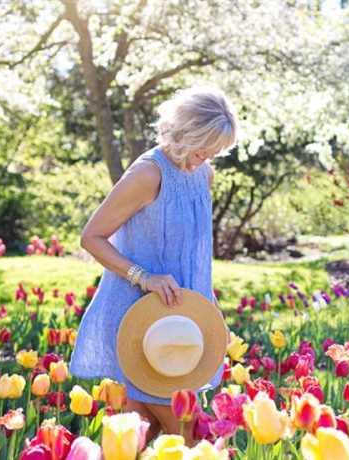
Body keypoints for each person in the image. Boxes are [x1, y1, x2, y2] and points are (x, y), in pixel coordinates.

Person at [71, 86, 238, 443]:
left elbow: (194, 252)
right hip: (146, 321)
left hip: (183, 320)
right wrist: (142, 277)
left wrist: (208, 307)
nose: (204, 159)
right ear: (183, 133)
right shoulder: (148, 174)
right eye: (200, 149)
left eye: (213, 153)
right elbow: (92, 237)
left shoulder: (203, 175)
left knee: (139, 435)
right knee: (196, 439)